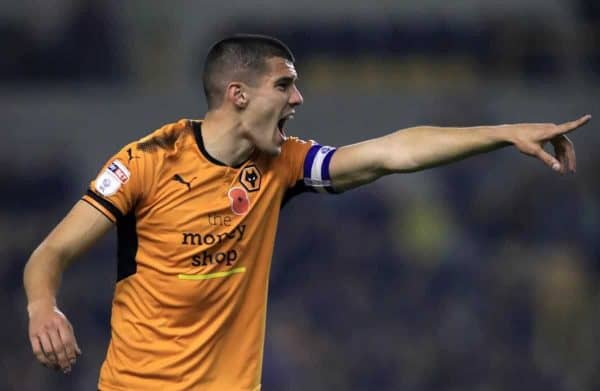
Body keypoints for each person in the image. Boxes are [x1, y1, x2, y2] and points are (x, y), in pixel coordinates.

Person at [23, 34, 590, 391]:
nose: (298, 99)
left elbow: (393, 151)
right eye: (285, 84)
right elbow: (51, 252)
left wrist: (505, 133)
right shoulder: (147, 161)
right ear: (238, 94)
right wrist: (44, 308)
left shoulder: (282, 164)